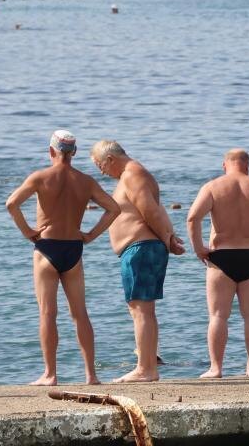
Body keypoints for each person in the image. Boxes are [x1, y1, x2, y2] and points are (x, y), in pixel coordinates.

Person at [4, 130, 121, 386]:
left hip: (46, 248)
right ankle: (91, 375)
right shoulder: (86, 181)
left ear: (51, 151)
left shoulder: (40, 177)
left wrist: (28, 232)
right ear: (75, 153)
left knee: (47, 313)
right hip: (73, 250)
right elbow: (114, 208)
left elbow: (11, 204)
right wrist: (90, 236)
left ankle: (50, 374)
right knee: (80, 313)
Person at [187, 149, 249, 378]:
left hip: (221, 256)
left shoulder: (213, 187)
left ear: (225, 165)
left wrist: (199, 249)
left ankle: (216, 368)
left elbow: (193, 218)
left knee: (218, 315)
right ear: (248, 165)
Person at [90, 140, 185, 384]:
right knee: (140, 309)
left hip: (141, 248)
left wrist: (166, 238)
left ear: (110, 159)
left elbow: (150, 211)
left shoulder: (133, 174)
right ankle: (147, 364)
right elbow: (157, 210)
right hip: (140, 248)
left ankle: (146, 369)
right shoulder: (133, 174)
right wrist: (169, 237)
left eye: (100, 165)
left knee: (142, 309)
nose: (100, 171)